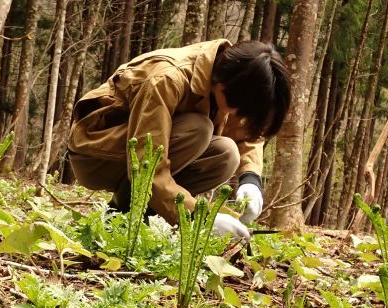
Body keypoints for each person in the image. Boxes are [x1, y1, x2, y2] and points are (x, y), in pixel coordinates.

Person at [68, 39, 290, 238]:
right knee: (198, 130)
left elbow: (246, 134)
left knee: (226, 154)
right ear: (223, 88)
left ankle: (139, 212)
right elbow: (147, 163)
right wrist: (198, 217)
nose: (239, 120)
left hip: (137, 155)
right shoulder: (167, 78)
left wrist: (251, 179)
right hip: (94, 157)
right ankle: (121, 215)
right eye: (241, 112)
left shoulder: (235, 75)